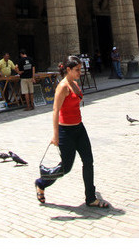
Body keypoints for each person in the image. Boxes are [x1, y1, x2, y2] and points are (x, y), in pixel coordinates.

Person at [34, 55, 110, 208]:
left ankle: (91, 197)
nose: (79, 72)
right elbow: (55, 110)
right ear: (67, 70)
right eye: (77, 70)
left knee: (88, 161)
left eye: (80, 69)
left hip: (79, 128)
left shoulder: (75, 83)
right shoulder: (62, 87)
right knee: (66, 167)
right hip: (66, 131)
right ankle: (41, 183)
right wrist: (55, 135)